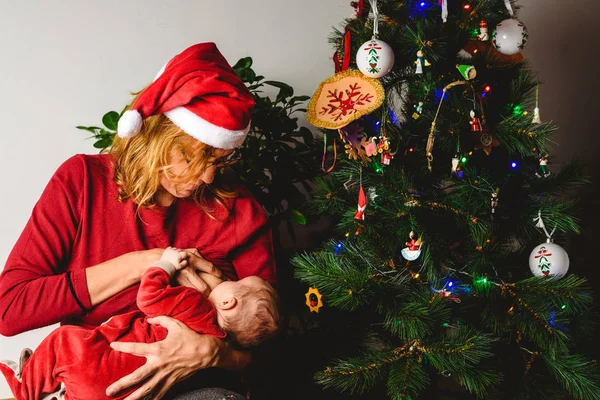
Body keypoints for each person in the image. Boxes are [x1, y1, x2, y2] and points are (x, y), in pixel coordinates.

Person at [0, 42, 276, 399]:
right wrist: (144, 263)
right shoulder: (82, 182)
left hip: (198, 386)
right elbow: (10, 309)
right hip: (94, 376)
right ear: (159, 134)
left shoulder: (238, 208)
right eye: (200, 156)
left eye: (221, 161)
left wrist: (214, 353)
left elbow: (267, 341)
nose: (209, 176)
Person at [0, 247, 280, 400]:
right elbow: (10, 310)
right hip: (127, 393)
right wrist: (138, 261)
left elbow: (149, 297)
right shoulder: (219, 331)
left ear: (229, 302)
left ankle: (27, 388)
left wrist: (164, 265)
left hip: (97, 363)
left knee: (63, 342)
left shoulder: (194, 304)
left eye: (235, 281)